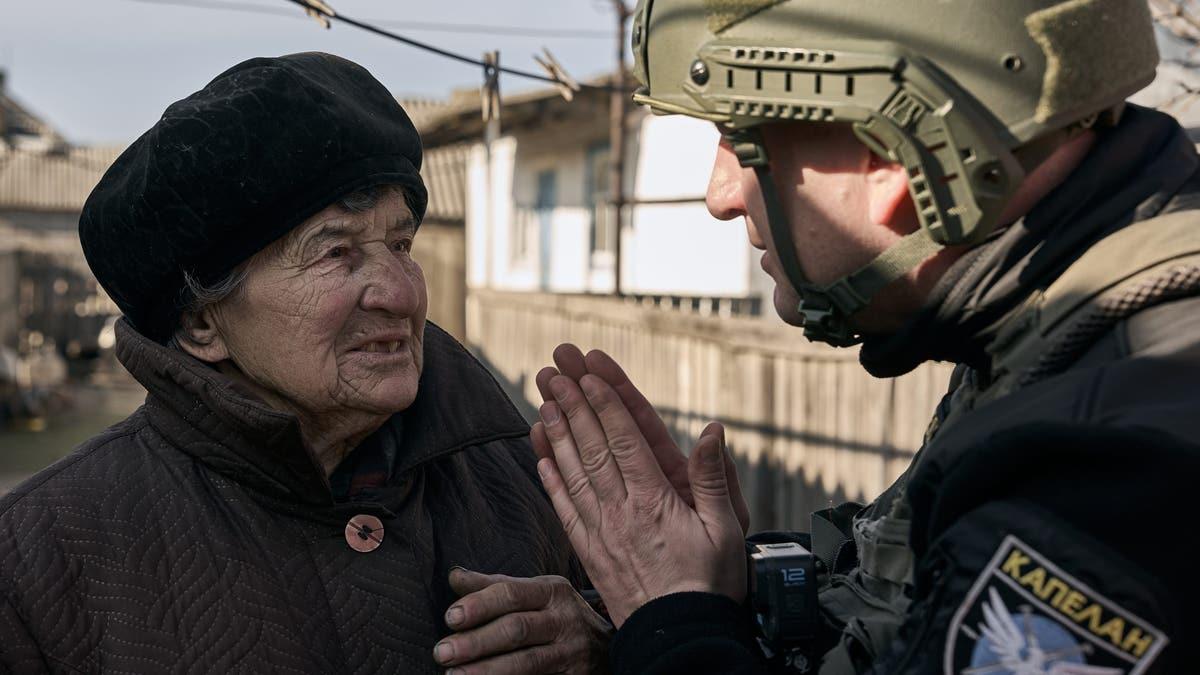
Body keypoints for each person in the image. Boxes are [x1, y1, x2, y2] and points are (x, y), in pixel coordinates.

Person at [529, 1, 1200, 673]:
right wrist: (723, 593)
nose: (721, 193)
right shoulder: (1055, 327)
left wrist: (672, 621)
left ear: (891, 151)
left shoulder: (1111, 477)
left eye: (741, 134)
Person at [0, 52, 611, 674]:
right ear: (203, 323)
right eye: (336, 253)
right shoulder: (42, 560)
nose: (402, 294)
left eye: (401, 244)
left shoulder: (524, 473)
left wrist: (608, 646)